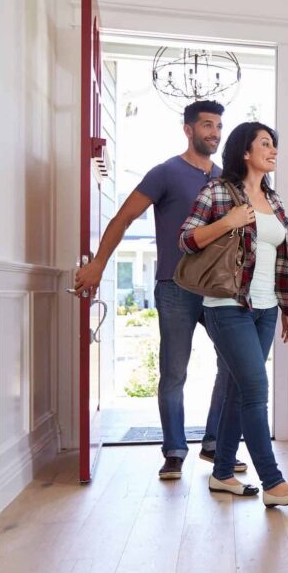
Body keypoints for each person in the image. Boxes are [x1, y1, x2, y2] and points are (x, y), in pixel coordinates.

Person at [73, 100, 247, 480]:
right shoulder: (165, 173)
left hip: (219, 291)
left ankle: (216, 443)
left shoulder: (225, 180)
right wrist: (99, 264)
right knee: (173, 372)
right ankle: (174, 450)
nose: (214, 133)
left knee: (233, 365)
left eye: (218, 126)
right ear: (188, 129)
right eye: (206, 125)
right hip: (175, 286)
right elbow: (122, 218)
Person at [179, 122, 288, 508]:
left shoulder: (275, 200)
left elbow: (281, 260)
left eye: (275, 144)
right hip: (227, 307)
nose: (273, 151)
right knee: (255, 390)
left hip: (266, 310)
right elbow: (185, 239)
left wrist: (287, 310)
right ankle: (272, 482)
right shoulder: (218, 191)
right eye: (266, 144)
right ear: (245, 152)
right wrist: (228, 221)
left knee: (238, 390)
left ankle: (221, 474)